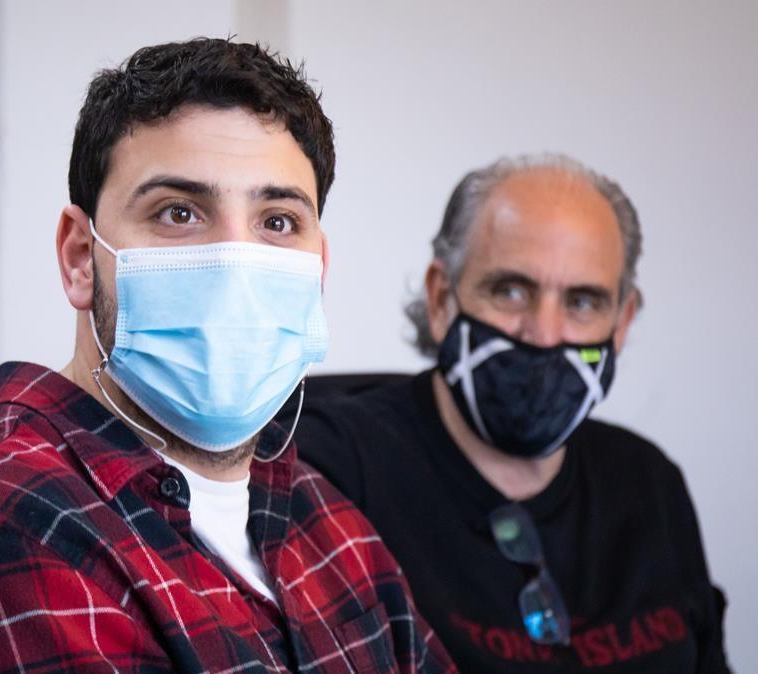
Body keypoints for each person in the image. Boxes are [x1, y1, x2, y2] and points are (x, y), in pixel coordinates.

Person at [0, 38, 455, 673]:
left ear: (319, 267)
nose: (234, 265)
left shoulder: (326, 521)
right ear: (79, 257)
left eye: (277, 221)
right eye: (179, 212)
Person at [286, 154, 730, 672]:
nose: (544, 334)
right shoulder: (327, 471)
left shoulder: (648, 484)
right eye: (511, 291)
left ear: (623, 321)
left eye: (583, 302)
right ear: (441, 298)